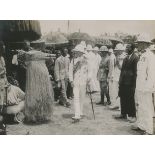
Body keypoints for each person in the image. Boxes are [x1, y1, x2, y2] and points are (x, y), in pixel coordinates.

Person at [20, 48, 55, 123]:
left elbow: (23, 61)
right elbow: (51, 61)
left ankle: (37, 115)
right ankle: (40, 115)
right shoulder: (39, 55)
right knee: (41, 94)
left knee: (37, 95)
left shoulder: (31, 55)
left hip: (37, 74)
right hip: (40, 73)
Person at [132, 37, 155, 134]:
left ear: (145, 44)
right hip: (139, 86)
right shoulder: (142, 55)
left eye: (140, 43)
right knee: (140, 106)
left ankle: (149, 130)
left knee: (147, 108)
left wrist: (148, 87)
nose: (138, 45)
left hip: (146, 87)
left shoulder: (150, 56)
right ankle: (141, 125)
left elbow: (151, 73)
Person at [115, 43, 139, 122]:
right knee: (123, 97)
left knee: (130, 99)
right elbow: (122, 70)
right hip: (123, 81)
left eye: (128, 47)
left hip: (130, 82)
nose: (126, 48)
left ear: (132, 48)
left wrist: (134, 84)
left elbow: (135, 72)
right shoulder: (125, 58)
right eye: (126, 47)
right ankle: (123, 114)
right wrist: (120, 81)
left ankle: (132, 115)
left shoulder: (135, 58)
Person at [69, 44, 89, 122]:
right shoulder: (73, 60)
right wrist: (71, 80)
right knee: (76, 98)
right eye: (75, 52)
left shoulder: (86, 60)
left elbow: (89, 70)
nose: (76, 53)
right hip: (76, 81)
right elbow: (70, 71)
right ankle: (77, 115)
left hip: (83, 82)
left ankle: (80, 112)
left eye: (77, 52)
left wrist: (89, 78)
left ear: (81, 52)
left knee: (82, 98)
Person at [109, 43, 126, 110]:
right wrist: (112, 75)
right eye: (117, 50)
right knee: (114, 91)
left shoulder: (124, 57)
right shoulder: (116, 57)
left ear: (122, 50)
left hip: (121, 76)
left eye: (119, 50)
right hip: (116, 76)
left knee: (121, 92)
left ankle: (120, 106)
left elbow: (122, 68)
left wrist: (118, 63)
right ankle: (115, 104)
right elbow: (114, 67)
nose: (117, 51)